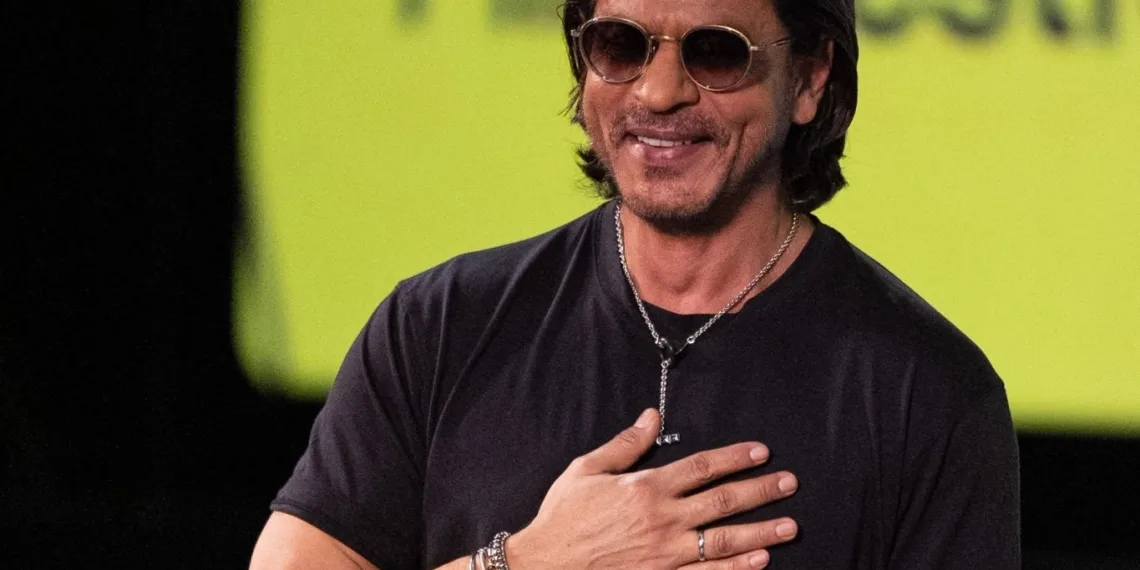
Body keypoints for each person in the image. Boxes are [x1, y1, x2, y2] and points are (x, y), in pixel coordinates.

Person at [250, 0, 1021, 568]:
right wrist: (526, 563)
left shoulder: (931, 394)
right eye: (620, 45)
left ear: (811, 78)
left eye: (716, 53)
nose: (657, 93)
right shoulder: (438, 325)